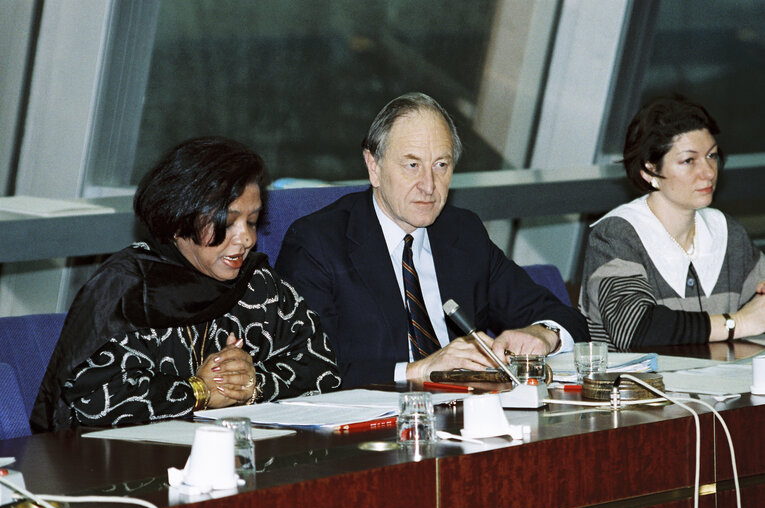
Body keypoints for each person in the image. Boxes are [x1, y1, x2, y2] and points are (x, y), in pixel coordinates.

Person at [275, 92, 589, 387]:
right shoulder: (317, 243)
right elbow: (305, 367)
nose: (429, 185)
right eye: (412, 165)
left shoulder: (462, 233)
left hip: (468, 414)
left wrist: (543, 335)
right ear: (374, 167)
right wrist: (418, 370)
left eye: (441, 165)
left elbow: (565, 317)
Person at [31, 136, 341, 432]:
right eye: (228, 222)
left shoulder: (258, 286)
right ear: (181, 220)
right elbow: (91, 401)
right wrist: (199, 391)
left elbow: (323, 369)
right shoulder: (129, 289)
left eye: (252, 221)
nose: (246, 238)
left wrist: (252, 384)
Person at [579, 97, 765, 351]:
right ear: (650, 171)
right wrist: (738, 323)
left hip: (719, 387)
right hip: (637, 388)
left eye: (711, 156)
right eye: (689, 161)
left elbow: (760, 307)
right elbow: (634, 329)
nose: (709, 172)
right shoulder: (617, 235)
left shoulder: (727, 232)